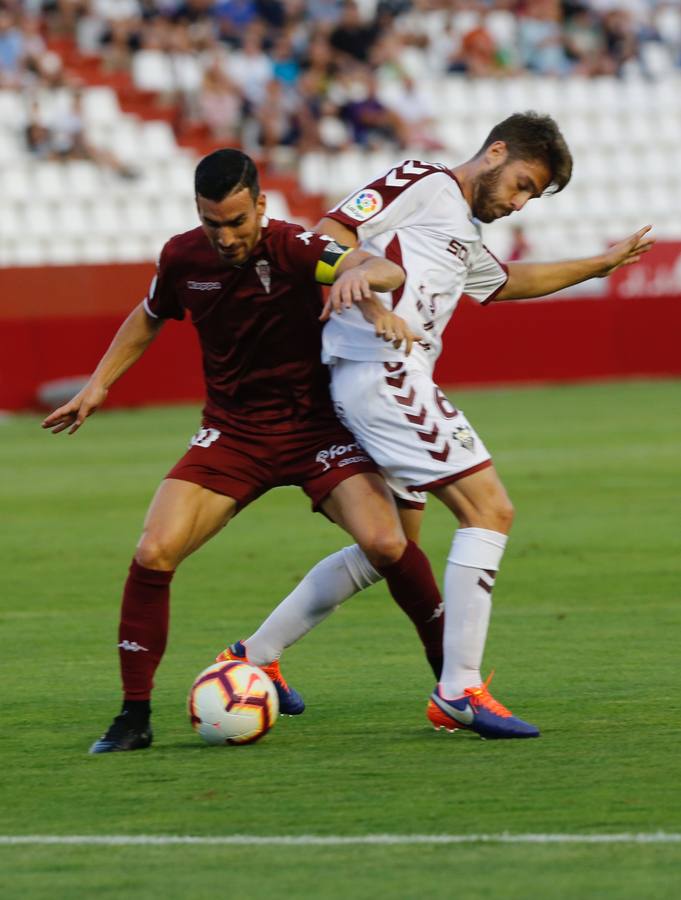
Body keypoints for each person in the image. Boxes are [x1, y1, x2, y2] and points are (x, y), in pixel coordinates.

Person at [229, 112, 654, 740]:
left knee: (388, 549)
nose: (519, 203)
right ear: (496, 152)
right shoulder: (423, 180)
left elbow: (504, 282)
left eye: (532, 197)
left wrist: (597, 265)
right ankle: (459, 690)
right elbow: (333, 231)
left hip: (385, 376)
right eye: (523, 184)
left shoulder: (462, 231)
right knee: (490, 509)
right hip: (383, 370)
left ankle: (252, 656)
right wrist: (367, 298)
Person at [42, 148, 447, 753]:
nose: (226, 237)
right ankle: (133, 716)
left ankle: (453, 686)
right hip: (232, 434)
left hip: (316, 431)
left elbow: (377, 267)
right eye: (212, 223)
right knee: (153, 551)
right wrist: (99, 384)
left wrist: (364, 284)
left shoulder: (295, 248)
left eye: (236, 221)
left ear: (260, 204)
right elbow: (149, 315)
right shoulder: (182, 257)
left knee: (389, 544)